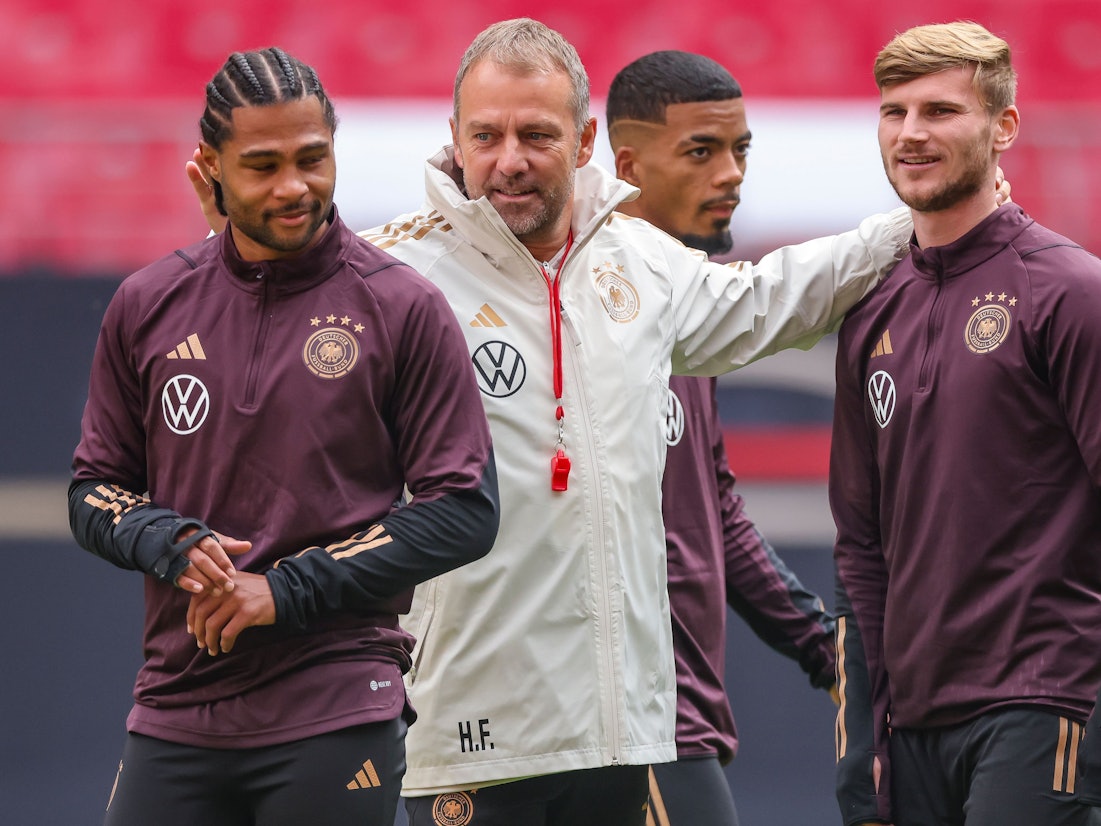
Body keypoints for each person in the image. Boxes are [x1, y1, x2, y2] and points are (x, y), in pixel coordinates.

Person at [188, 18, 912, 826]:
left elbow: (770, 296)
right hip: (465, 737)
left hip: (619, 736)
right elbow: (264, 376)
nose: (509, 160)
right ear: (454, 142)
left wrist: (910, 218)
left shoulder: (640, 262)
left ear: (582, 140)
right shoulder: (387, 278)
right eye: (486, 135)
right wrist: (233, 254)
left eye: (535, 134)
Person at [68, 47, 499, 826]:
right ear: (210, 169)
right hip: (175, 701)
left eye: (312, 158)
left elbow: (462, 508)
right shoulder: (147, 303)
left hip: (336, 702)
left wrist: (283, 589)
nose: (295, 186)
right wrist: (164, 537)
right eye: (263, 166)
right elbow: (93, 490)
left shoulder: (402, 307)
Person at [831, 21, 1101, 826]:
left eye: (940, 111)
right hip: (909, 727)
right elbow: (859, 547)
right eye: (894, 111)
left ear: (1002, 127)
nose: (911, 133)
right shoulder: (869, 311)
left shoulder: (1068, 292)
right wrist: (859, 741)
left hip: (1043, 705)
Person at [606, 50, 837, 826]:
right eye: (701, 152)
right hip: (613, 722)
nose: (731, 173)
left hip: (676, 714)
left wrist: (819, 643)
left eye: (740, 150)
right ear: (626, 166)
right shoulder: (576, 314)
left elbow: (714, 506)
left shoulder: (686, 310)